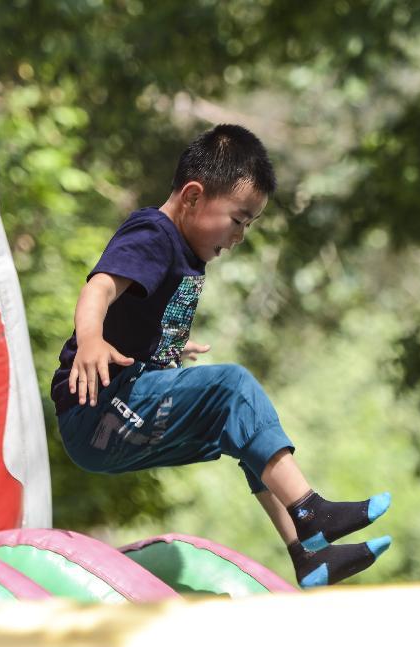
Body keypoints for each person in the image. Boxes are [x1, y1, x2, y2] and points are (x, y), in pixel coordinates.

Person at [50, 124, 391, 587]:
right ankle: (310, 509)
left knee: (248, 430)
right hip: (97, 410)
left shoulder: (187, 252)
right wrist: (90, 339)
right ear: (192, 197)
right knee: (232, 387)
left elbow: (137, 320)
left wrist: (164, 347)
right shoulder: (154, 232)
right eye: (238, 219)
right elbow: (101, 286)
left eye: (249, 225)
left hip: (118, 413)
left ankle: (308, 553)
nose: (240, 236)